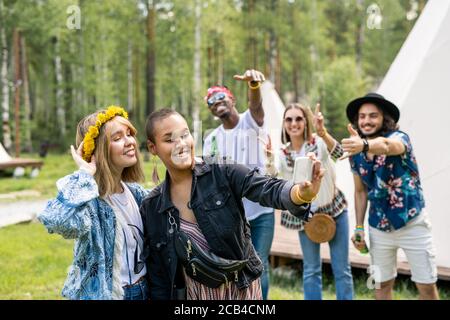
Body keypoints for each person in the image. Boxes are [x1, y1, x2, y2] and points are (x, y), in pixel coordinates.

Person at [141, 109, 325, 300]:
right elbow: (159, 278)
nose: (181, 144)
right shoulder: (152, 207)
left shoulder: (221, 171)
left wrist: (300, 193)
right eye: (169, 140)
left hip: (241, 289)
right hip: (195, 295)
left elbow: (267, 188)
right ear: (153, 148)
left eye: (185, 134)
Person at [38, 106, 150, 300]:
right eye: (117, 138)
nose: (130, 142)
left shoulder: (136, 194)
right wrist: (84, 174)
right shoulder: (89, 201)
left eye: (129, 134)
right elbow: (58, 220)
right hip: (109, 294)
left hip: (144, 290)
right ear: (97, 151)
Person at [342, 92, 439, 300]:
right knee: (381, 286)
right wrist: (359, 227)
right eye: (362, 116)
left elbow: (387, 147)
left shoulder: (400, 138)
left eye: (373, 115)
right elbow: (360, 191)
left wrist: (365, 145)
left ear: (384, 118)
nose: (366, 121)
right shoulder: (355, 153)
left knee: (427, 287)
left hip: (413, 223)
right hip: (379, 228)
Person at [267, 102, 353, 300]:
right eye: (289, 119)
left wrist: (322, 132)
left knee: (342, 269)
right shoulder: (282, 153)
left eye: (299, 118)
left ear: (306, 122)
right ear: (284, 124)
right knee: (312, 269)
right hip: (306, 215)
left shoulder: (318, 143)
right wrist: (269, 159)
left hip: (334, 210)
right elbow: (272, 177)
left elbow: (340, 154)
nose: (294, 123)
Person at [202, 69, 274, 299]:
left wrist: (254, 85)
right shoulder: (211, 139)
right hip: (232, 216)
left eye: (220, 96)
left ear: (232, 99)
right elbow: (208, 176)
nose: (216, 102)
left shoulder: (249, 122)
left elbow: (256, 107)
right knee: (237, 270)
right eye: (211, 101)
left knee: (259, 266)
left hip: (261, 212)